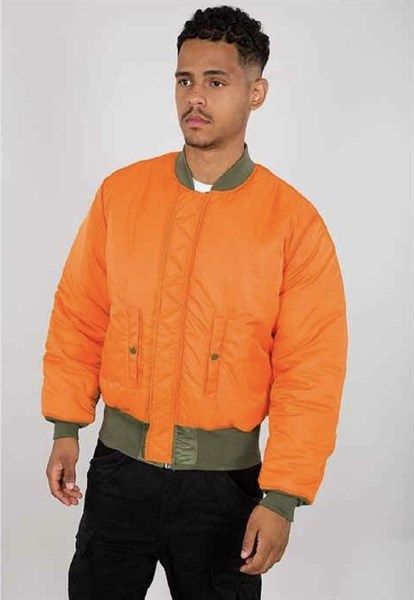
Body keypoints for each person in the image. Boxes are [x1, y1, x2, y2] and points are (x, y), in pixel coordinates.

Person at [42, 5, 348, 600]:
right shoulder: (121, 195)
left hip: (223, 492)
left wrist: (282, 496)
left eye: (216, 81)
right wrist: (66, 425)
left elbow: (310, 370)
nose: (195, 98)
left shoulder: (293, 223)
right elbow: (80, 315)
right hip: (119, 474)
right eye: (184, 80)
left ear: (255, 92)